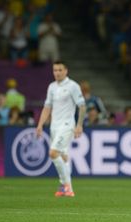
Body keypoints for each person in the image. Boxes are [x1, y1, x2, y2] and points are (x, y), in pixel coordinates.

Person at [36, 61, 86, 197]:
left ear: (66, 71)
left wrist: (79, 125)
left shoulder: (73, 86)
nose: (57, 73)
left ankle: (66, 186)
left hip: (67, 125)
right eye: (55, 70)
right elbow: (47, 107)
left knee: (53, 153)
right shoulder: (51, 87)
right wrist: (40, 125)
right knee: (63, 157)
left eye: (59, 70)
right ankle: (65, 186)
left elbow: (82, 106)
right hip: (54, 127)